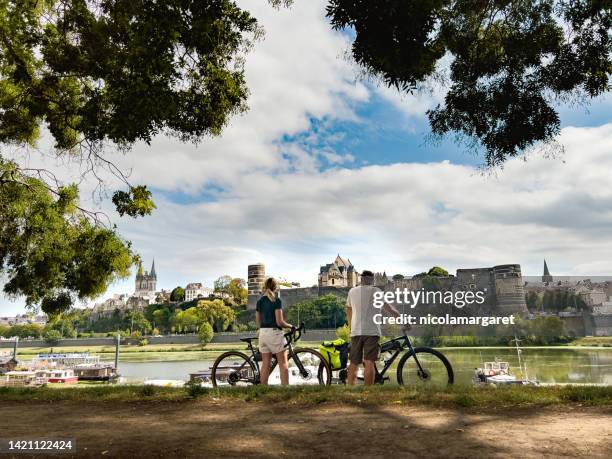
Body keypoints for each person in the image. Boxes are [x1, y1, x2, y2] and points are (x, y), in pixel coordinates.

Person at [346, 270, 401, 385]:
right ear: (372, 280)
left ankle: (349, 389)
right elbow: (390, 309)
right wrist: (403, 321)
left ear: (361, 279)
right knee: (369, 362)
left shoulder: (352, 291)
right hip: (372, 331)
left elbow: (349, 310)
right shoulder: (377, 291)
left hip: (356, 331)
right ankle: (368, 391)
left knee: (354, 363)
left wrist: (351, 327)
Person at [255, 277, 294, 385]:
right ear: (275, 287)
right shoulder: (276, 300)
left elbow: (258, 323)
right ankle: (285, 389)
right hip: (274, 333)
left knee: (265, 364)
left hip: (263, 334)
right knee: (283, 363)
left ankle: (263, 389)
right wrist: (291, 326)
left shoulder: (259, 302)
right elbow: (279, 322)